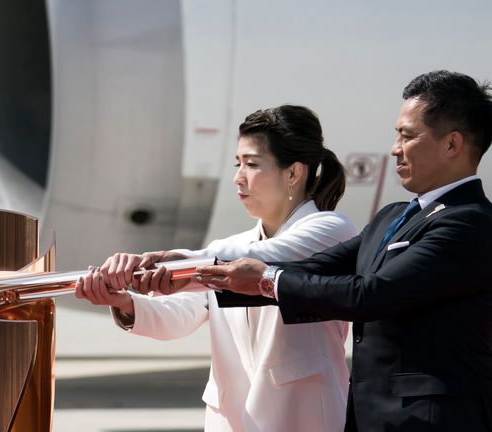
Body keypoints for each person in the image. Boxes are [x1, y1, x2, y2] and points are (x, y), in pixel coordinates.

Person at [199, 71, 492, 431]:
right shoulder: (394, 216)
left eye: (407, 135)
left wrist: (267, 280)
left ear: (452, 144)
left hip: (433, 420)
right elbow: (317, 267)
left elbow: (373, 294)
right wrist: (202, 272)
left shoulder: (470, 223)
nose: (394, 148)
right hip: (373, 416)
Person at [76, 105, 357, 431]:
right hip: (232, 420)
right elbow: (179, 316)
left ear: (293, 173)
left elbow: (263, 257)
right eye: (237, 164)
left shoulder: (331, 230)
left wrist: (164, 260)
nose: (238, 177)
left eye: (251, 165)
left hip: (305, 418)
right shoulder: (226, 248)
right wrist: (123, 301)